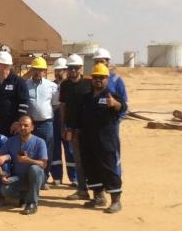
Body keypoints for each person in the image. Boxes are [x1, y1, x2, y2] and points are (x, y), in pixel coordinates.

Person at [78, 63, 126, 213]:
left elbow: (123, 107)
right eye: (95, 77)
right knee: (91, 168)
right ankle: (98, 197)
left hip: (106, 140)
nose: (98, 80)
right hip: (88, 139)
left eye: (101, 77)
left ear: (107, 79)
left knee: (109, 168)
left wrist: (115, 104)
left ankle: (116, 200)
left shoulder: (112, 96)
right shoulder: (86, 98)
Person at [0, 115, 48, 215]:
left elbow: (43, 164)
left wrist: (29, 160)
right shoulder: (11, 141)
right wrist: (1, 173)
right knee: (4, 190)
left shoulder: (40, 142)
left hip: (37, 177)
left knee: (35, 169)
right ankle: (25, 196)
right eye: (20, 125)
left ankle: (32, 204)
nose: (22, 128)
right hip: (18, 177)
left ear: (32, 127)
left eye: (26, 125)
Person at [59, 54, 92, 201]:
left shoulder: (89, 84)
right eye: (70, 68)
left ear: (80, 69)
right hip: (73, 129)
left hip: (88, 130)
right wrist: (63, 126)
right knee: (78, 160)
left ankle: (98, 191)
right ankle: (82, 190)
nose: (72, 71)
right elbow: (63, 106)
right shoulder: (65, 85)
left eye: (75, 68)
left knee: (92, 160)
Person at [25, 57, 59, 187]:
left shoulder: (52, 86)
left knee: (47, 152)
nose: (37, 72)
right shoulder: (25, 85)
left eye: (40, 70)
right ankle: (32, 178)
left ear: (45, 71)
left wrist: (44, 113)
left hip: (46, 124)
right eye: (35, 69)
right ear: (31, 70)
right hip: (30, 125)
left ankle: (43, 178)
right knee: (31, 151)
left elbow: (55, 105)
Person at [0, 50, 29, 137]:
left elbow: (24, 104)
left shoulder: (19, 82)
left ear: (4, 66)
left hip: (12, 129)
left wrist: (18, 121)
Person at [50, 57, 76, 186]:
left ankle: (74, 178)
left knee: (70, 149)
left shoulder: (70, 85)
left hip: (67, 119)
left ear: (66, 70)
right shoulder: (51, 85)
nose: (57, 73)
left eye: (60, 70)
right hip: (54, 118)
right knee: (55, 148)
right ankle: (57, 177)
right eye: (56, 70)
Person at [92, 48, 128, 120]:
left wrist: (118, 119)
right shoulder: (92, 78)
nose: (99, 64)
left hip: (110, 123)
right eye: (97, 62)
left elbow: (124, 102)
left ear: (108, 62)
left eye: (102, 61)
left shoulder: (116, 79)